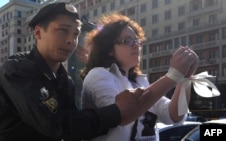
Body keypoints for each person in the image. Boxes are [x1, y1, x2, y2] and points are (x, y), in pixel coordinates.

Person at [0, 2, 152, 141]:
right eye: (62, 31)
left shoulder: (63, 80)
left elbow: (74, 129)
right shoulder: (17, 70)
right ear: (38, 32)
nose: (70, 40)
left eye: (75, 34)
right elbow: (55, 125)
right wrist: (116, 110)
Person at [80, 12, 199, 141]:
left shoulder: (139, 81)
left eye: (137, 40)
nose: (136, 45)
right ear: (108, 49)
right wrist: (173, 76)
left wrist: (185, 79)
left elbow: (174, 115)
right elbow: (121, 115)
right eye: (127, 41)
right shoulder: (98, 75)